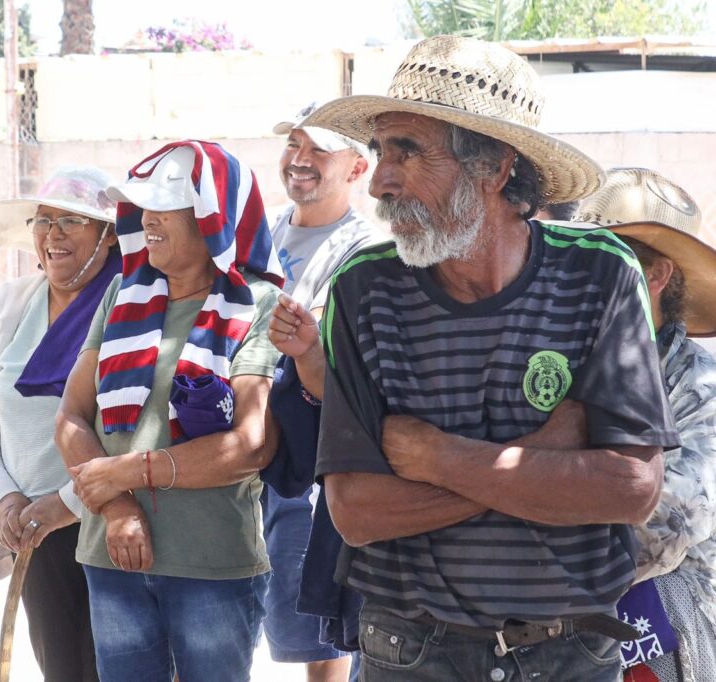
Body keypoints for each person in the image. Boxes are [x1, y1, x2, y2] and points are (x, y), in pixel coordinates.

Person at [302, 36, 680, 681]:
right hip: (411, 651)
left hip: (572, 651)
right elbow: (358, 513)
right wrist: (546, 453)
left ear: (495, 166)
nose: (382, 179)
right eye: (379, 151)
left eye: (409, 151)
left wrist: (438, 458)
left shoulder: (600, 274)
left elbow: (630, 490)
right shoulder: (363, 287)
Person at [55, 141, 284, 682]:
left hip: (211, 563)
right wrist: (117, 507)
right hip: (111, 555)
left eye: (165, 207)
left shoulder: (256, 303)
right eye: (142, 207)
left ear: (212, 218)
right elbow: (70, 416)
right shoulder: (121, 294)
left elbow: (250, 444)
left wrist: (127, 472)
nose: (146, 218)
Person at [0, 167, 119, 682]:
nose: (53, 235)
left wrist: (65, 504)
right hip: (34, 530)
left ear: (108, 235)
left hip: (115, 521)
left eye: (72, 220)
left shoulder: (130, 306)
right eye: (43, 221)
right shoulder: (13, 303)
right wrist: (6, 499)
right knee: (63, 669)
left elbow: (131, 429)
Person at [573, 168, 716, 682]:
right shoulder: (553, 361)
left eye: (607, 259)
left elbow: (666, 527)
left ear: (657, 275)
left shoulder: (701, 388)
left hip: (661, 624)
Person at [261, 101, 375, 681]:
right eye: (294, 144)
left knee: (318, 638)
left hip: (308, 467)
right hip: (247, 456)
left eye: (319, 150)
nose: (299, 160)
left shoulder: (367, 254)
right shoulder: (260, 235)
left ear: (357, 169)